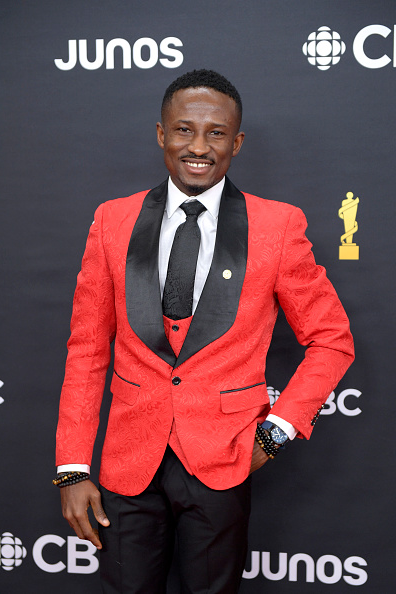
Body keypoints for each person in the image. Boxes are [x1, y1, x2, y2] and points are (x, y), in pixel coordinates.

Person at [55, 69, 354, 594]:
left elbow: (331, 340)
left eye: (216, 133)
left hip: (223, 459)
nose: (198, 147)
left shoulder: (278, 226)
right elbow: (86, 350)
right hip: (128, 461)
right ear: (161, 134)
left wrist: (275, 432)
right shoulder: (112, 221)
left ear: (236, 143)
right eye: (184, 130)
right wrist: (73, 468)